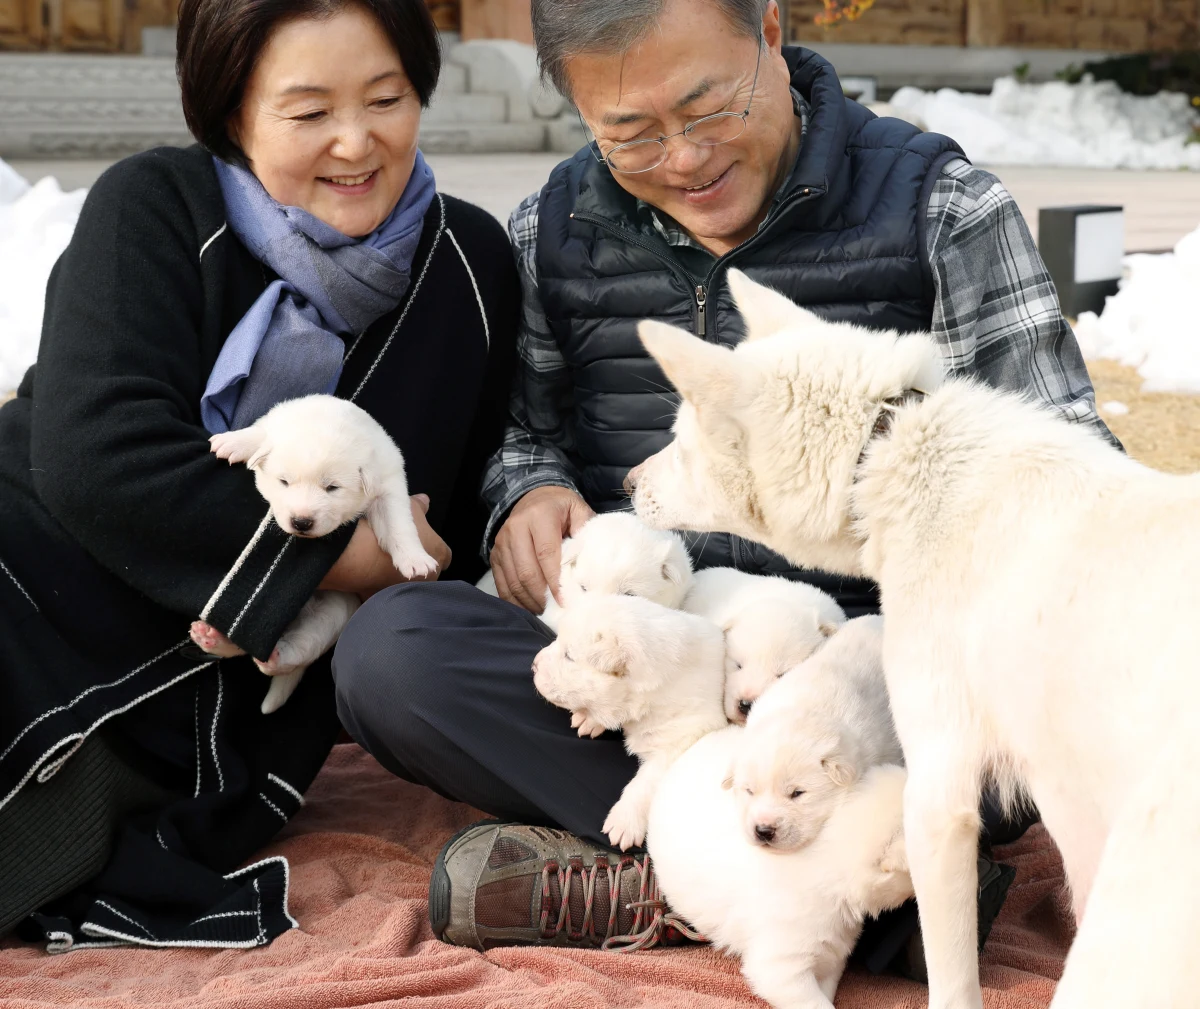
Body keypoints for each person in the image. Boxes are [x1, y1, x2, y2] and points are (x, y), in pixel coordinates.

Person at [332, 0, 1112, 959]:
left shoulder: (940, 208)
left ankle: (684, 882)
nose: (686, 159)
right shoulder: (551, 229)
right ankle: (860, 895)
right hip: (653, 661)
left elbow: (1067, 471)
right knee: (392, 655)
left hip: (870, 682)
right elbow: (526, 432)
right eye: (632, 135)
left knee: (1000, 714)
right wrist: (529, 491)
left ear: (770, 33)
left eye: (708, 109)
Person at [0, 0, 518, 949]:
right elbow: (94, 455)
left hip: (223, 716)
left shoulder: (472, 266)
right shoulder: (155, 204)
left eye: (386, 98)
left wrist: (515, 506)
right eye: (309, 111)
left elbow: (481, 488)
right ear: (231, 112)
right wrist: (345, 558)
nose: (355, 142)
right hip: (32, 569)